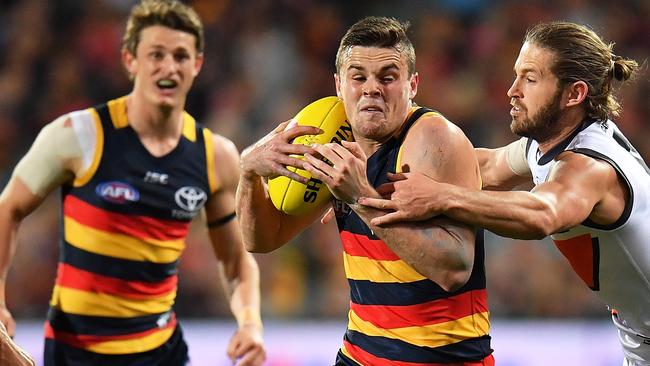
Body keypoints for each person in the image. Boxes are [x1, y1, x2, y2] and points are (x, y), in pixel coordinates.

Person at [357, 21, 649, 365]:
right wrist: (370, 173)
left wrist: (442, 196)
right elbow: (485, 167)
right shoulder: (548, 145)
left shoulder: (589, 167)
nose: (512, 90)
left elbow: (541, 214)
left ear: (574, 94)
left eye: (530, 78)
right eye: (516, 75)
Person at [0, 1, 266, 365]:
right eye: (156, 54)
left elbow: (236, 261)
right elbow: (7, 208)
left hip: (160, 351)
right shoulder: (79, 135)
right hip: (77, 350)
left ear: (197, 65)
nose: (169, 66)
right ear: (130, 60)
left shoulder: (214, 156)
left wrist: (250, 323)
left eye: (180, 56)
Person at [236, 16, 494, 365]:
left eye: (388, 77)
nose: (372, 88)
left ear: (412, 84)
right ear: (339, 86)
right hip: (361, 353)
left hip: (442, 358)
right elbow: (263, 239)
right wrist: (249, 173)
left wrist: (359, 198)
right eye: (358, 77)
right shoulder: (334, 140)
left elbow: (455, 269)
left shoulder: (434, 140)